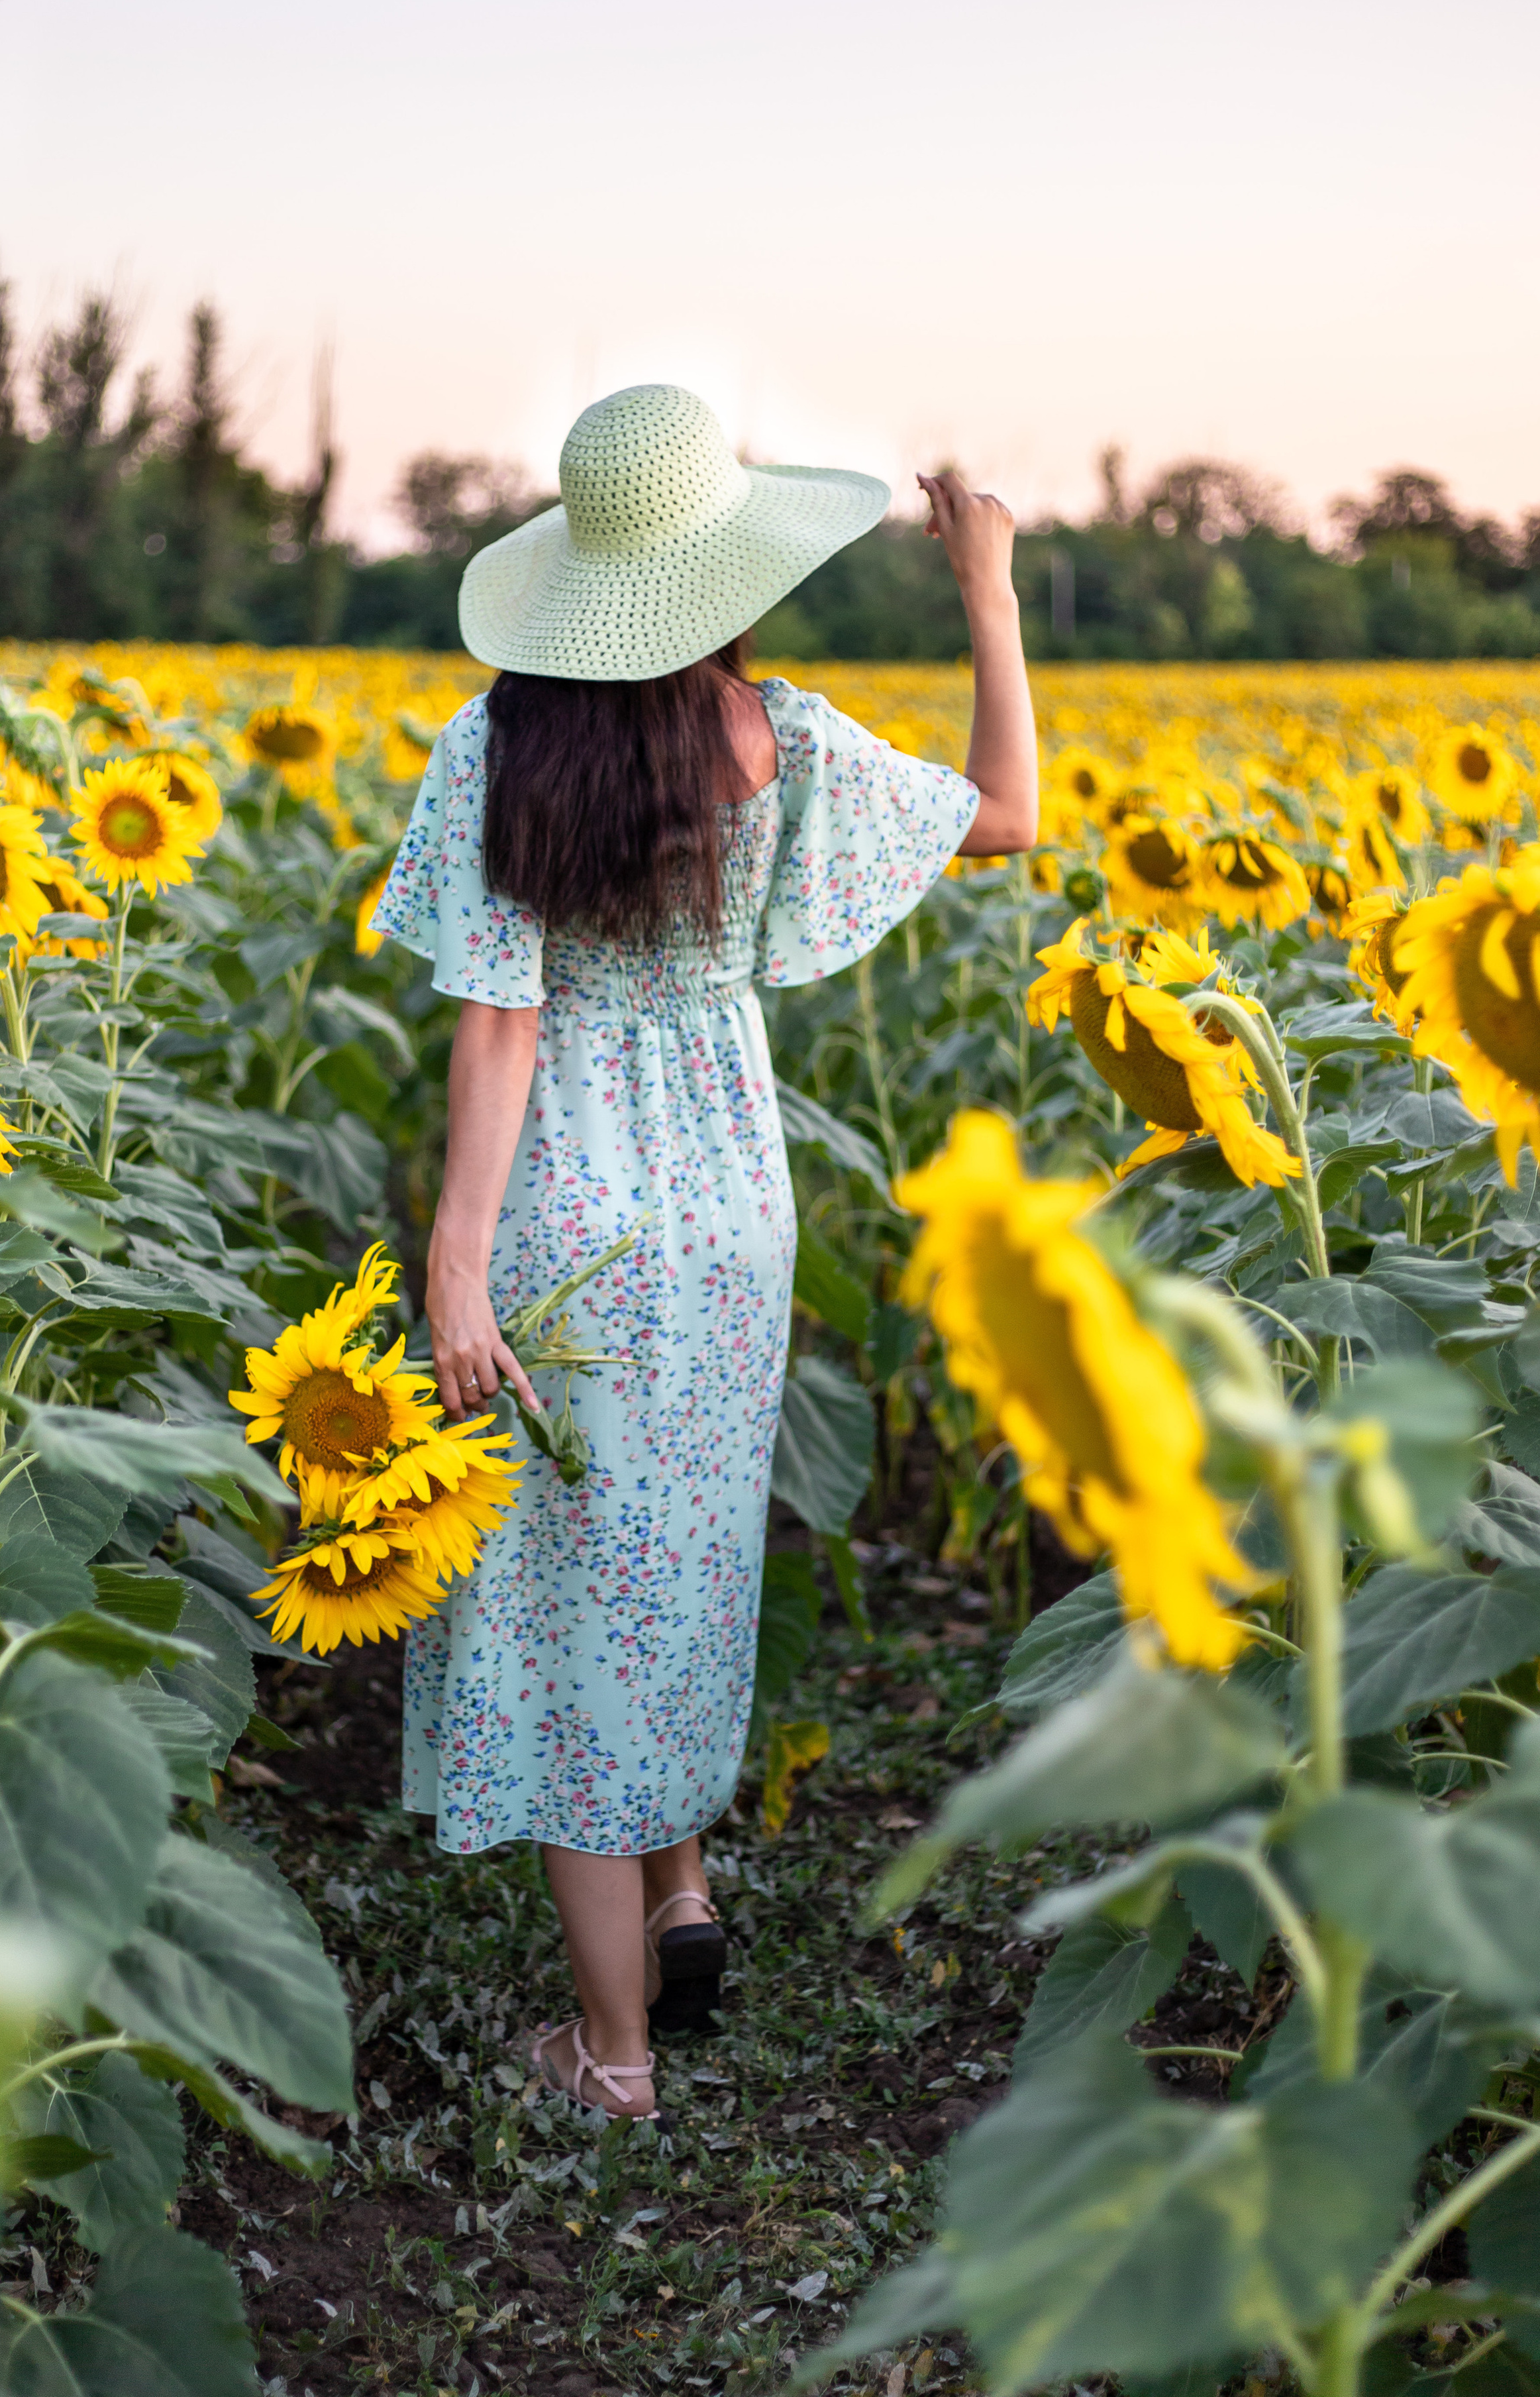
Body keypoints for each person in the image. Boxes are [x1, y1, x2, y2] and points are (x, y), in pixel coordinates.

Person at [372, 383, 1037, 2127]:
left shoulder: (497, 748)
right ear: (726, 578)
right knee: (665, 1553)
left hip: (568, 1205)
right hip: (732, 1203)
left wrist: (454, 1267)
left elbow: (501, 1031)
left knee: (574, 1588)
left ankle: (612, 2062)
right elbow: (1007, 816)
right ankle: (679, 1895)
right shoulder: (783, 740)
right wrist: (991, 591)